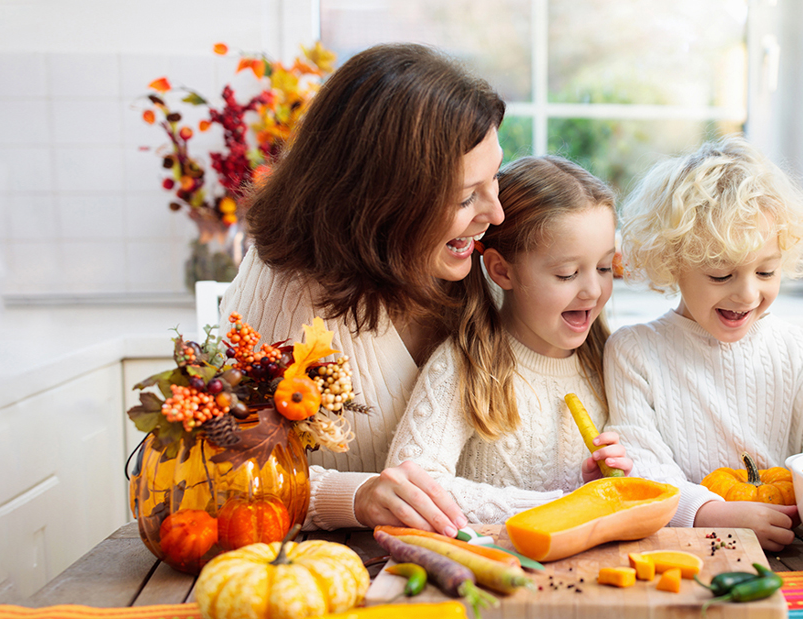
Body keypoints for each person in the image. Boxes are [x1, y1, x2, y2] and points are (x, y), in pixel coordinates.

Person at [219, 43, 506, 536]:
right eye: (464, 197)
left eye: (495, 177)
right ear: (382, 200)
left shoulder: (484, 265)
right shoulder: (283, 283)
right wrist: (356, 496)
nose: (494, 214)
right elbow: (229, 475)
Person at [604, 136, 803, 550]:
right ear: (672, 262)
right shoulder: (635, 352)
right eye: (721, 275)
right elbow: (641, 465)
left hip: (795, 547)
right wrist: (707, 513)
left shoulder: (801, 351)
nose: (748, 295)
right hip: (687, 546)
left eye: (767, 272)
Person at [386, 155, 633, 523]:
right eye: (567, 274)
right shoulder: (465, 363)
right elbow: (414, 485)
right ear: (502, 270)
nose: (593, 290)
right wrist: (562, 507)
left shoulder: (608, 361)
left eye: (603, 268)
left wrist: (605, 485)